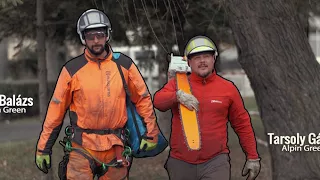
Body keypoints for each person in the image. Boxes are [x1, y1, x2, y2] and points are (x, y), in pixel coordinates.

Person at [35, 9, 159, 180]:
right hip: (82, 146)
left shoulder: (124, 64)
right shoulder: (71, 70)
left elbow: (143, 99)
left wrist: (151, 133)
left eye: (100, 35)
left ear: (107, 35)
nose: (95, 40)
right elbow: (55, 111)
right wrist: (44, 148)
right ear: (83, 38)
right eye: (90, 36)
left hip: (116, 146)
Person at [153, 35, 261, 180]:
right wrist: (177, 96)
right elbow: (158, 101)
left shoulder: (227, 88)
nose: (202, 61)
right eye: (197, 58)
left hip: (216, 162)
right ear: (189, 61)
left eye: (206, 56)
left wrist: (253, 157)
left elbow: (242, 123)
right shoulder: (178, 84)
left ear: (214, 58)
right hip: (180, 162)